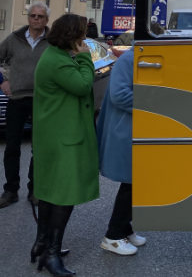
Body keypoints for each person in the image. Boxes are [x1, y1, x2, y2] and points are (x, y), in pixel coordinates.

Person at [32, 14, 99, 276]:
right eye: (81, 35)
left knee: (51, 193)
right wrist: (85, 58)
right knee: (64, 196)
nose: (84, 40)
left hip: (56, 136)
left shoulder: (54, 57)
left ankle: (42, 244)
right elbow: (82, 85)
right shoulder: (58, 62)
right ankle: (50, 253)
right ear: (72, 36)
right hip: (63, 138)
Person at [96, 47, 146, 255]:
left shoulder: (137, 58)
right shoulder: (130, 59)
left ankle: (125, 229)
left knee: (133, 183)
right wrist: (152, 104)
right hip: (124, 130)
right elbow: (119, 95)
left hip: (130, 129)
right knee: (131, 183)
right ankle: (113, 236)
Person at [0, 1, 50, 208]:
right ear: (28, 18)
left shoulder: (53, 41)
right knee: (12, 146)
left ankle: (35, 190)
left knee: (39, 147)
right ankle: (10, 190)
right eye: (32, 15)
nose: (35, 19)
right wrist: (2, 81)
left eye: (40, 16)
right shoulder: (14, 39)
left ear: (46, 20)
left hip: (42, 100)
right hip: (17, 99)